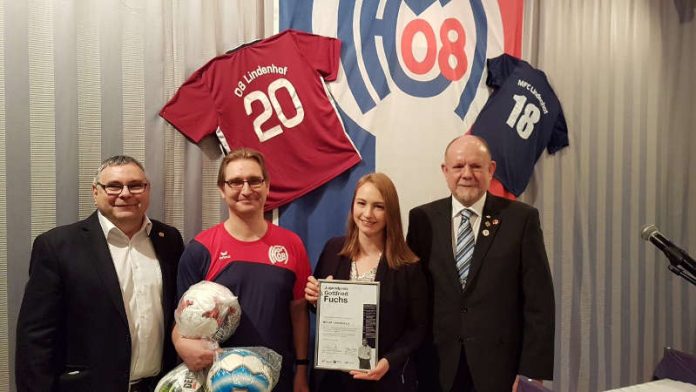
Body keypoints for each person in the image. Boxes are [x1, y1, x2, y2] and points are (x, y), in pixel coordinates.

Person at [15, 155, 185, 392]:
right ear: (96, 192)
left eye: (135, 185)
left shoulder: (169, 240)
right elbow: (35, 338)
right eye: (114, 186)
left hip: (158, 386)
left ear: (147, 190)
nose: (125, 193)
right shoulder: (57, 246)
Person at [407, 135, 555, 392]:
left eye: (476, 166)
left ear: (491, 170)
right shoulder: (422, 220)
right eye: (458, 166)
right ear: (445, 171)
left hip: (500, 371)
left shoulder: (521, 220)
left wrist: (531, 373)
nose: (467, 174)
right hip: (436, 368)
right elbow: (408, 292)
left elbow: (539, 303)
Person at [173, 148, 310, 392]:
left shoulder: (292, 245)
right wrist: (180, 344)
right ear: (221, 190)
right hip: (217, 381)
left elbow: (299, 313)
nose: (246, 190)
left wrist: (301, 370)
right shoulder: (201, 249)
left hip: (277, 380)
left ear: (267, 186)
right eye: (235, 182)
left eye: (255, 180)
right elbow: (180, 320)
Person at [305, 172, 427, 392]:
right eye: (362, 203)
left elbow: (417, 329)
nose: (368, 214)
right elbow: (318, 309)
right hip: (333, 381)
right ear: (353, 206)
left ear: (390, 212)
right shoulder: (334, 249)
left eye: (379, 206)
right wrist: (314, 298)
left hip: (384, 380)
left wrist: (388, 362)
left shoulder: (408, 265)